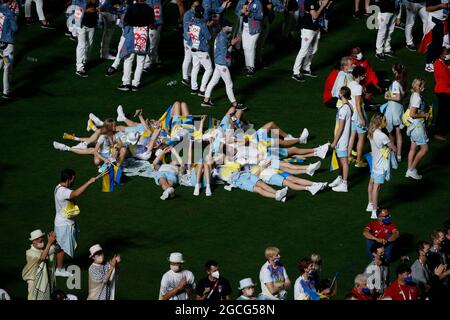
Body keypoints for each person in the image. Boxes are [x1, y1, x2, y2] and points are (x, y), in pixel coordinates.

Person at [54, 169, 96, 276]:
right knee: (61, 247)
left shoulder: (58, 188)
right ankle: (59, 269)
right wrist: (89, 182)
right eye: (73, 179)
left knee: (60, 246)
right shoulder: (63, 191)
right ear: (68, 179)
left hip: (62, 221)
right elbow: (75, 194)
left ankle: (58, 266)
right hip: (64, 223)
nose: (74, 181)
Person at [201, 25, 243, 108]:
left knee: (213, 81)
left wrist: (231, 43)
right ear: (223, 27)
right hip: (222, 64)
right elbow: (226, 54)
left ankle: (206, 101)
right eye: (228, 26)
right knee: (229, 84)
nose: (230, 28)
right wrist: (232, 44)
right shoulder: (222, 38)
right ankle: (235, 104)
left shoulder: (221, 35)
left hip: (218, 62)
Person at [118, 0, 155, 91]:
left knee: (128, 59)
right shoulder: (150, 9)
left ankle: (126, 84)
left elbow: (125, 21)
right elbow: (151, 25)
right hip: (143, 35)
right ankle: (135, 85)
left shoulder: (132, 7)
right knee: (140, 61)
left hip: (132, 34)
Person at [367, 113, 397, 219]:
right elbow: (393, 147)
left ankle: (370, 204)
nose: (386, 122)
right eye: (384, 120)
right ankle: (374, 212)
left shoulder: (372, 132)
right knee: (377, 187)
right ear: (379, 121)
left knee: (371, 182)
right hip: (380, 165)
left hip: (374, 162)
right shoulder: (382, 135)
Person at [292, 0, 330, 82]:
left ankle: (306, 68)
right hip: (307, 29)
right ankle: (296, 72)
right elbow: (315, 16)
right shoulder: (310, 1)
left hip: (315, 29)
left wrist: (324, 5)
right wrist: (323, 5)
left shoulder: (317, 1)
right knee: (304, 50)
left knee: (313, 50)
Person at [405, 78, 430, 180]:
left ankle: (409, 170)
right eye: (423, 85)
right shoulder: (417, 98)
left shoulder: (414, 95)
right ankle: (412, 170)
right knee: (424, 149)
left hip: (413, 126)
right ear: (419, 87)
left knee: (413, 148)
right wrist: (425, 114)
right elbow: (413, 114)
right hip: (417, 127)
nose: (424, 87)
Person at [329, 86, 352, 193]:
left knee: (344, 161)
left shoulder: (344, 109)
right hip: (341, 138)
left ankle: (344, 184)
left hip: (341, 139)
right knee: (340, 159)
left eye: (339, 92)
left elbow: (341, 127)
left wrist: (335, 141)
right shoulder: (347, 106)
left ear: (342, 94)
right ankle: (340, 177)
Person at [22, 230, 57, 300]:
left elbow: (56, 248)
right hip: (33, 281)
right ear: (33, 241)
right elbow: (42, 257)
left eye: (41, 237)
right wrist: (49, 242)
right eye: (37, 239)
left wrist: (54, 240)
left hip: (43, 280)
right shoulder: (30, 253)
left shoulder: (43, 250)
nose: (40, 239)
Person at [187, 6, 213, 95]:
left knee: (195, 67)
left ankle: (194, 88)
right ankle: (202, 90)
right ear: (202, 13)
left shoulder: (191, 22)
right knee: (209, 69)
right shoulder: (202, 25)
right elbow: (209, 37)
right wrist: (208, 27)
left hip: (193, 48)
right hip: (201, 50)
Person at [384, 63, 407, 162]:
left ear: (395, 71)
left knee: (390, 131)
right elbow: (402, 96)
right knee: (398, 132)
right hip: (399, 108)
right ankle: (399, 155)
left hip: (393, 109)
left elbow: (397, 97)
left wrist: (388, 97)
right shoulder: (404, 81)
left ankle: (393, 152)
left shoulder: (396, 83)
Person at [347, 66, 369, 167]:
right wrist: (362, 119)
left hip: (352, 114)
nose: (365, 77)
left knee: (352, 135)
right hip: (358, 114)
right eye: (363, 75)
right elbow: (358, 105)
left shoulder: (351, 83)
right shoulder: (358, 87)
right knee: (361, 138)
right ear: (359, 76)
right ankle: (359, 161)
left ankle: (349, 156)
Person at [235, 0, 263, 76]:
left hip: (254, 28)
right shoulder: (241, 1)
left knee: (250, 47)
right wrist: (241, 11)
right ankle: (247, 66)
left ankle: (252, 67)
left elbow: (260, 16)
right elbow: (236, 12)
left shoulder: (257, 3)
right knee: (245, 47)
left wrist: (250, 13)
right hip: (245, 27)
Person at [73, 0, 100, 77]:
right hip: (82, 26)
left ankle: (85, 61)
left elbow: (96, 9)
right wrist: (74, 28)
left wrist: (95, 10)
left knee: (90, 45)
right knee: (81, 46)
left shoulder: (96, 1)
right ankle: (79, 68)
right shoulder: (81, 1)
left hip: (92, 25)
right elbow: (76, 12)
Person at [424, 0, 449, 72]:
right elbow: (428, 8)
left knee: (439, 43)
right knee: (432, 43)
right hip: (434, 22)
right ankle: (428, 64)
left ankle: (437, 62)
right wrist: (440, 6)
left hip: (443, 22)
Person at [0, 0, 17, 99]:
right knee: (7, 67)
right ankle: (6, 92)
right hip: (7, 45)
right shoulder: (9, 13)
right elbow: (15, 28)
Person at [433, 47, 450, 140]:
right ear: (440, 54)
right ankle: (439, 132)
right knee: (443, 112)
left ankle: (441, 130)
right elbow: (446, 79)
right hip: (443, 91)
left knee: (445, 111)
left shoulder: (442, 63)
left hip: (445, 90)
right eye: (445, 53)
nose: (447, 54)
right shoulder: (438, 64)